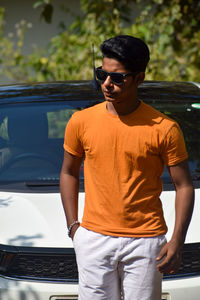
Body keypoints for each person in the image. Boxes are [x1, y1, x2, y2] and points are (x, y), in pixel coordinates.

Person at [60, 35, 194, 300]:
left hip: (146, 243)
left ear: (139, 78)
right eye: (102, 74)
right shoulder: (81, 121)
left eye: (118, 78)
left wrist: (177, 240)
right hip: (93, 239)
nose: (107, 84)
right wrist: (74, 227)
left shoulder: (164, 128)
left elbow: (184, 185)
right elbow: (68, 172)